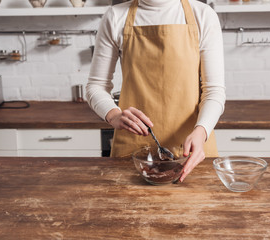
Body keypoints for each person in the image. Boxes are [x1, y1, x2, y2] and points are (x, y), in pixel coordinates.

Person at [86, 0, 226, 182]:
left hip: (192, 153)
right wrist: (113, 115)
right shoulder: (115, 16)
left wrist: (202, 131)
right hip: (133, 155)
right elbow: (96, 86)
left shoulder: (203, 15)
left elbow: (214, 90)